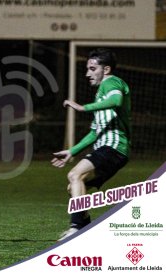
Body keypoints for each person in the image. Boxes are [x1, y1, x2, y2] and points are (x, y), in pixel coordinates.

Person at [52, 48, 131, 241]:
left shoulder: (111, 82)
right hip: (111, 150)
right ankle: (87, 229)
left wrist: (82, 107)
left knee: (75, 175)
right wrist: (73, 151)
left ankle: (77, 227)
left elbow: (117, 99)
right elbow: (95, 132)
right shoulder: (100, 96)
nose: (87, 73)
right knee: (75, 187)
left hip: (113, 146)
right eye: (87, 68)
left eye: (92, 68)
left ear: (106, 69)